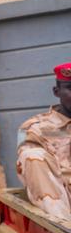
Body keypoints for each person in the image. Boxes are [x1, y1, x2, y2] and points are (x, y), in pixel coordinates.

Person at [17, 62, 71, 219]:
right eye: (70, 88)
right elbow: (33, 171)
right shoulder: (34, 128)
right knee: (32, 155)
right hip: (63, 204)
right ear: (57, 91)